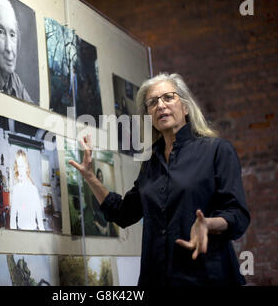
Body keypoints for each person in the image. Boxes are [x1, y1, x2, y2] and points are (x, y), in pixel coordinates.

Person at [69, 73, 250, 287]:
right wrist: (90, 177)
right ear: (149, 115)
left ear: (185, 107)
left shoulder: (216, 150)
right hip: (156, 278)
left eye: (168, 97)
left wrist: (208, 224)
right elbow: (124, 213)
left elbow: (237, 214)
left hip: (207, 276)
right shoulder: (150, 162)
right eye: (152, 102)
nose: (160, 105)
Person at [10, 150, 45, 231]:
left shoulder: (33, 189)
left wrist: (43, 232)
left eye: (22, 166)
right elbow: (13, 216)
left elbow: (39, 215)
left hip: (33, 230)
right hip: (20, 231)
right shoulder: (16, 189)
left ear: (26, 166)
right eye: (19, 166)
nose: (20, 170)